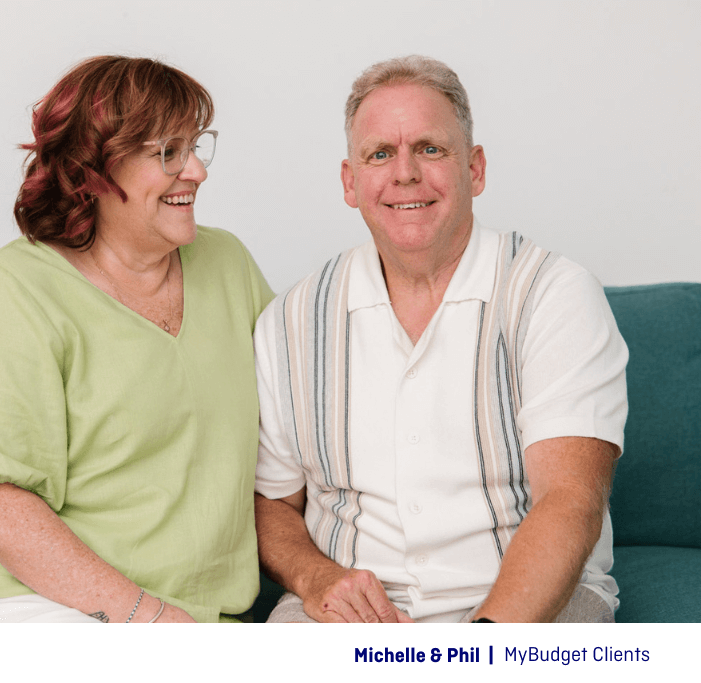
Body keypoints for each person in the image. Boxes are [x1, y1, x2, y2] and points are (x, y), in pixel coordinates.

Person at [253, 55, 628, 623]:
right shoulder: (290, 319)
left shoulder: (554, 294)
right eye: (380, 154)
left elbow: (570, 500)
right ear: (350, 182)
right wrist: (316, 577)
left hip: (535, 603)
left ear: (474, 169)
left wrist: (478, 649)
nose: (404, 173)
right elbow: (273, 501)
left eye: (429, 148)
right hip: (355, 616)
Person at [0, 56, 273, 623]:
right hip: (10, 601)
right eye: (168, 153)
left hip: (186, 619)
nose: (196, 170)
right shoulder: (7, 291)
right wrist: (147, 619)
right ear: (93, 170)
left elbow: (301, 424)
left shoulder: (227, 265)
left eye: (196, 146)